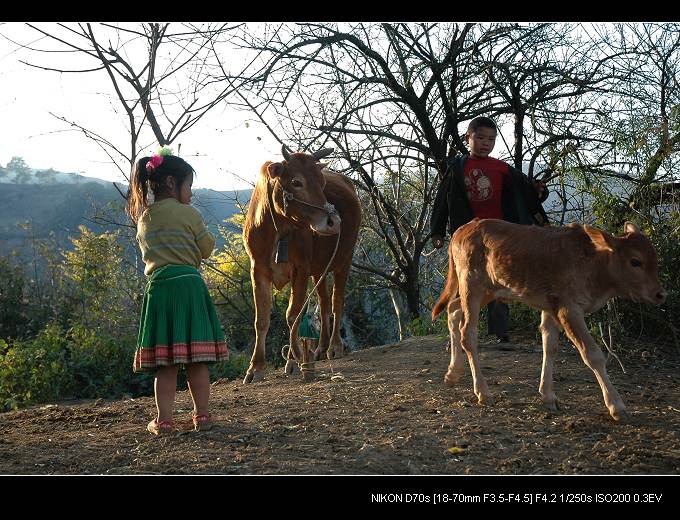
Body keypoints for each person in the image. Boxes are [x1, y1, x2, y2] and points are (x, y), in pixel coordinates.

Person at [126, 146, 229, 435]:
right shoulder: (189, 213)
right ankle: (203, 416)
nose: (191, 193)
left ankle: (165, 421)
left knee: (166, 363)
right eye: (189, 186)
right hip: (189, 286)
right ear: (172, 183)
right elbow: (207, 249)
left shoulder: (144, 218)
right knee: (198, 359)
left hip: (159, 289)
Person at [430, 116, 549, 346]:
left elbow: (528, 194)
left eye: (491, 139)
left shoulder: (502, 168)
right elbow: (441, 199)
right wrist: (437, 231)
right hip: (467, 236)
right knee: (465, 281)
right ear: (468, 138)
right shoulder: (457, 168)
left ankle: (501, 333)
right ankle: (458, 333)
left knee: (498, 281)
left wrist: (538, 191)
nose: (486, 143)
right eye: (481, 138)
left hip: (498, 235)